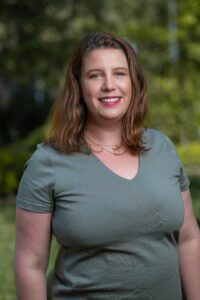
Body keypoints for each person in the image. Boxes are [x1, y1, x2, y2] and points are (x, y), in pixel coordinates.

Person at [15, 32, 200, 300]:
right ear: (78, 85)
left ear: (133, 81)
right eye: (95, 75)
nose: (109, 85)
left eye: (119, 73)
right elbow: (30, 263)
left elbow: (189, 238)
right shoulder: (48, 163)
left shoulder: (163, 148)